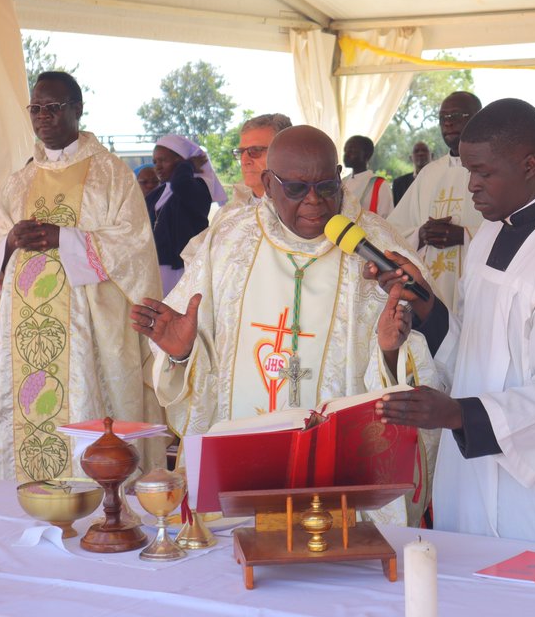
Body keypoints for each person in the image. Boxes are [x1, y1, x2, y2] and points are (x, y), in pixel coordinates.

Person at [132, 125, 438, 525]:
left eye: (327, 186)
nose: (313, 201)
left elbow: (416, 365)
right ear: (268, 183)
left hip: (338, 493)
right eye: (295, 188)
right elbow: (192, 368)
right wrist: (182, 352)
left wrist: (390, 352)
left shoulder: (377, 246)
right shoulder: (227, 242)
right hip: (240, 483)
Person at [375, 98, 535, 552]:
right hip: (477, 472)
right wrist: (426, 305)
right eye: (468, 171)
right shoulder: (492, 233)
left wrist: (458, 414)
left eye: (483, 173)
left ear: (529, 164)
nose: (471, 186)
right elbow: (478, 351)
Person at [0, 72, 164, 483]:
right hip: (25, 328)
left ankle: (98, 497)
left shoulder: (110, 174)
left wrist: (68, 239)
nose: (43, 117)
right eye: (36, 108)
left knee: (85, 404)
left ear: (77, 109)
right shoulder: (18, 181)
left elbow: (134, 246)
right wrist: (10, 242)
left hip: (89, 328)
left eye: (53, 108)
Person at [389, 92, 485, 308]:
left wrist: (464, 235)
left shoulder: (493, 169)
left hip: (478, 292)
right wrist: (420, 235)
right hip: (429, 292)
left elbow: (514, 229)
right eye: (443, 117)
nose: (448, 123)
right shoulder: (429, 173)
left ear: (479, 117)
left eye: (456, 115)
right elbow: (394, 230)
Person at [148, 135, 213, 295]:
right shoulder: (159, 193)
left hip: (183, 268)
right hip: (156, 266)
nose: (157, 167)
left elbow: (180, 183)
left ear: (180, 161)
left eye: (163, 160)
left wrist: (189, 165)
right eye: (155, 162)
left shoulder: (197, 187)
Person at [233, 113, 294, 205]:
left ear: (286, 154)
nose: (244, 161)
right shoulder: (229, 214)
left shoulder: (310, 210)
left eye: (256, 150)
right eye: (241, 152)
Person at [343, 134, 393, 218]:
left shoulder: (379, 185)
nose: (346, 155)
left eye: (352, 151)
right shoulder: (343, 182)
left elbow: (387, 219)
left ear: (366, 155)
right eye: (346, 150)